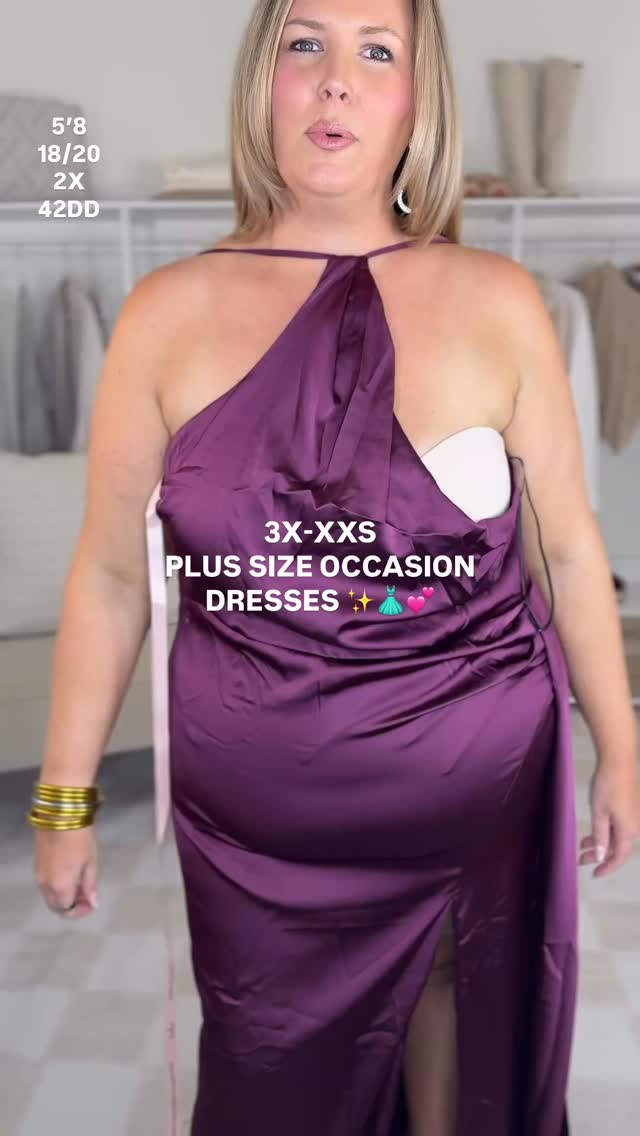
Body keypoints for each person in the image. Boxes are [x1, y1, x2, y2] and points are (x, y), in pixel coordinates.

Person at [31, 1, 640, 1134]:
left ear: (417, 98)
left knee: (461, 1030)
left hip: (471, 789)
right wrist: (64, 798)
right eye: (304, 44)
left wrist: (623, 745)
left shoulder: (500, 303)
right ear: (261, 80)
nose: (336, 81)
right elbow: (112, 578)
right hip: (257, 833)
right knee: (268, 1062)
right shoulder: (163, 317)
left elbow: (566, 545)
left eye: (377, 52)